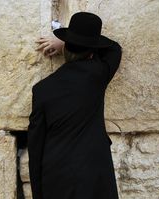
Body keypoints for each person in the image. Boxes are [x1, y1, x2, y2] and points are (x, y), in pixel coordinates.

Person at [27, 12, 122, 199]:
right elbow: (114, 49)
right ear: (93, 51)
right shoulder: (97, 74)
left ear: (67, 46)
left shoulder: (42, 90)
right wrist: (64, 44)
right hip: (95, 174)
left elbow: (35, 146)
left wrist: (38, 193)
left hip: (56, 176)